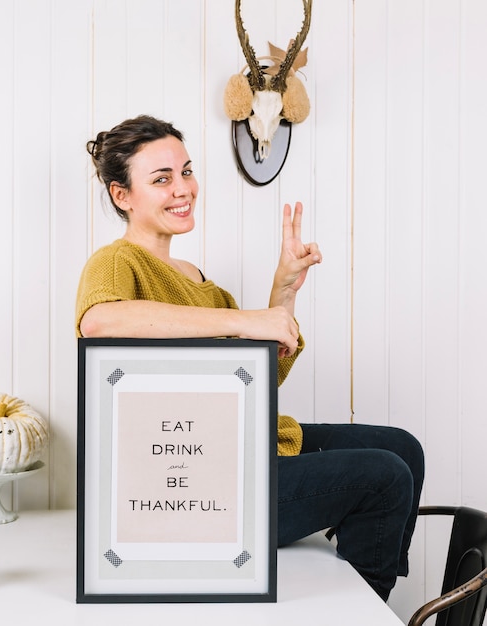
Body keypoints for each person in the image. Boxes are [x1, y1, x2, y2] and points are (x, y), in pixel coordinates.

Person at [75, 114, 424, 601]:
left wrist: (282, 291)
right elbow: (99, 322)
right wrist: (244, 320)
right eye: (161, 179)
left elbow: (257, 382)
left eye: (187, 171)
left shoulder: (200, 282)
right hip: (198, 483)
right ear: (122, 195)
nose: (183, 189)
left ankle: (367, 595)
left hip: (245, 442)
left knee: (404, 448)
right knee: (384, 475)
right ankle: (361, 610)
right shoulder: (116, 262)